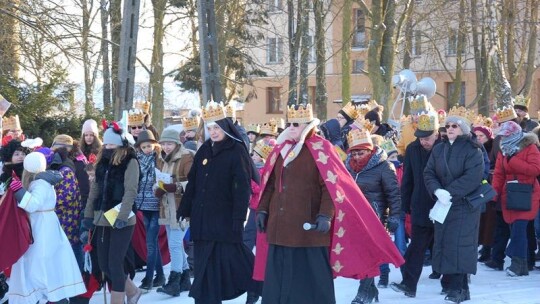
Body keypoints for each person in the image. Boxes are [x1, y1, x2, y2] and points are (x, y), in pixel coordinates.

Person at [256, 104, 404, 304]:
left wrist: (325, 215)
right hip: (279, 227)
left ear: (308, 126)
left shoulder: (321, 149)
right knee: (279, 280)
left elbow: (331, 187)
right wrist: (263, 209)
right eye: (289, 124)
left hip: (309, 230)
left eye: (297, 124)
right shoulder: (279, 151)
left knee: (312, 284)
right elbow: (270, 184)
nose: (291, 128)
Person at [177, 102, 261, 304]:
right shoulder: (205, 150)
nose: (213, 132)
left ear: (225, 126)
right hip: (203, 220)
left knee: (236, 259)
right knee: (206, 268)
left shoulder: (236, 151)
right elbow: (194, 183)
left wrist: (238, 217)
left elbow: (242, 188)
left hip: (224, 220)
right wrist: (184, 208)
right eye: (210, 128)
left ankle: (260, 284)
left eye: (217, 127)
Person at [8, 152, 86, 304]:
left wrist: (19, 191)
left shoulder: (41, 183)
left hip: (43, 229)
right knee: (43, 263)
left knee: (43, 263)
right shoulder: (40, 182)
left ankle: (53, 295)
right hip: (43, 225)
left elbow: (32, 204)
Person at [423, 114, 484, 303]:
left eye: (455, 126)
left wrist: (449, 192)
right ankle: (457, 286)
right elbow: (429, 172)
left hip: (464, 205)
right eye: (447, 125)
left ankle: (458, 287)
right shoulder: (438, 148)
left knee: (460, 245)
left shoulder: (473, 150)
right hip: (443, 203)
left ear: (463, 129)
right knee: (445, 244)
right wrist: (437, 191)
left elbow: (473, 177)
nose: (450, 128)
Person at [81, 122, 142, 304]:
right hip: (103, 217)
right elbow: (95, 190)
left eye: (112, 144)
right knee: (105, 264)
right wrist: (88, 215)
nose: (108, 147)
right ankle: (133, 291)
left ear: (121, 144)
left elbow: (131, 190)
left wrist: (122, 216)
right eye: (106, 144)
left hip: (122, 217)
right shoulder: (102, 162)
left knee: (115, 262)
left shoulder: (130, 162)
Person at [390, 112, 441, 298]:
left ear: (437, 133)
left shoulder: (444, 148)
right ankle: (409, 284)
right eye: (420, 137)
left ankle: (453, 283)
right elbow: (408, 180)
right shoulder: (412, 149)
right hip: (420, 204)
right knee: (417, 246)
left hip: (443, 205)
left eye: (427, 138)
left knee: (444, 245)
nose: (423, 142)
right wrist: (405, 205)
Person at [492, 121, 540, 276]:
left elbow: (535, 169)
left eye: (507, 135)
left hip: (527, 193)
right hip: (510, 194)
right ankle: (523, 265)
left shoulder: (530, 147)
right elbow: (499, 174)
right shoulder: (503, 150)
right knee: (516, 230)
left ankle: (516, 264)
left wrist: (513, 161)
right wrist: (494, 193)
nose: (503, 138)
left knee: (519, 230)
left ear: (515, 134)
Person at [154, 128, 194, 296]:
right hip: (167, 207)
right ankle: (185, 279)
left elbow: (194, 183)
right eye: (163, 144)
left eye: (169, 143)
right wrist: (157, 189)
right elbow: (158, 180)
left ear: (177, 143)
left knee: (175, 244)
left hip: (181, 208)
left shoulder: (186, 158)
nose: (166, 147)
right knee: (174, 244)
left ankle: (174, 280)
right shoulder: (161, 159)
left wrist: (175, 187)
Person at [133, 130, 166, 291]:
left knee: (150, 243)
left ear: (155, 145)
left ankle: (149, 279)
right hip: (143, 203)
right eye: (144, 146)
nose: (147, 149)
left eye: (150, 146)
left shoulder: (159, 159)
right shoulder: (137, 160)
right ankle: (160, 276)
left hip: (156, 203)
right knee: (152, 242)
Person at [473, 125, 497, 262]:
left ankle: (487, 249)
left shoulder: (492, 149)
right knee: (481, 221)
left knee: (489, 222)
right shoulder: (473, 148)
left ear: (488, 137)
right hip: (479, 188)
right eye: (476, 135)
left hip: (489, 188)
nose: (478, 138)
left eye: (481, 136)